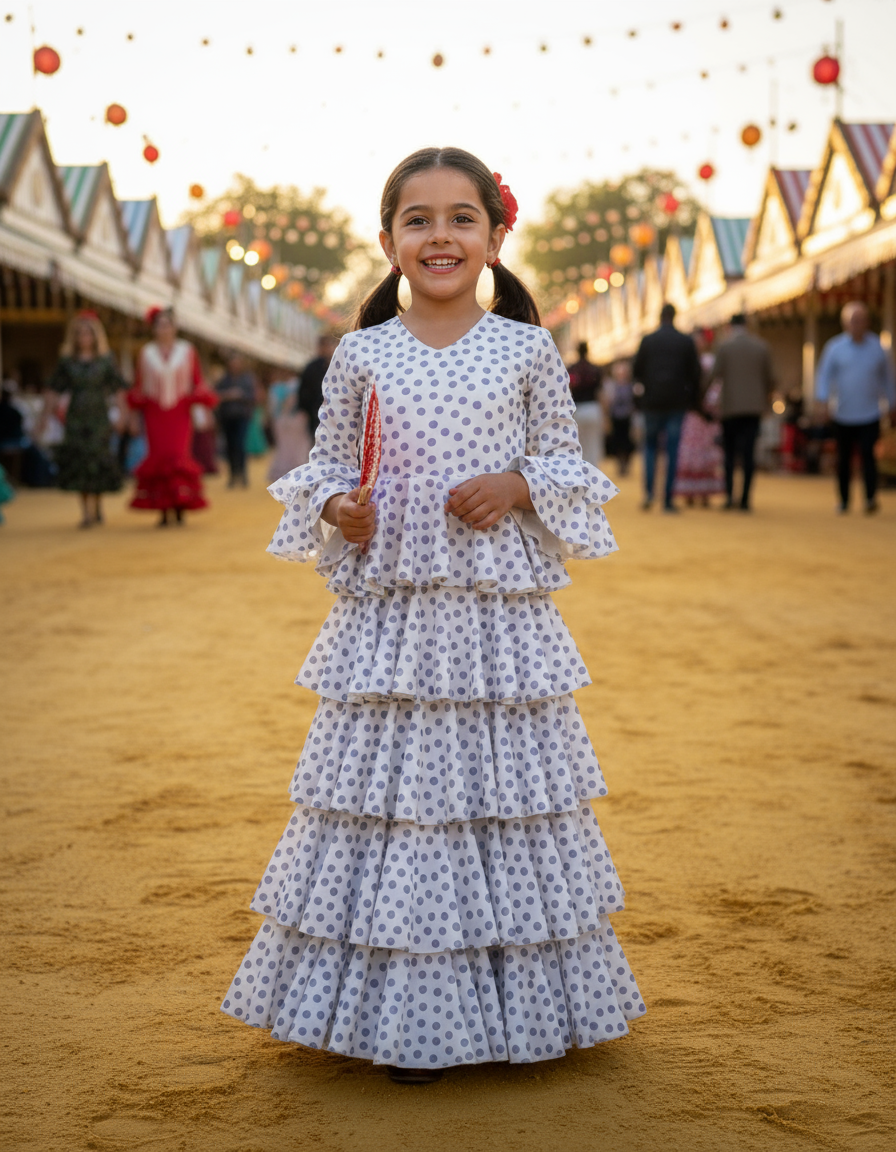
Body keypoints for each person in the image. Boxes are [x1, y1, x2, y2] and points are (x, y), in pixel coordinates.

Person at [221, 147, 645, 1084]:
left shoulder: (528, 350)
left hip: (496, 626)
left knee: (507, 799)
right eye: (419, 220)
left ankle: (520, 1009)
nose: (440, 235)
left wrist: (517, 484)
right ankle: (412, 1022)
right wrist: (340, 507)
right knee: (401, 803)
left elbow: (564, 461)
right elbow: (331, 464)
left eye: (462, 218)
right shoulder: (361, 354)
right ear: (389, 241)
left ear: (495, 238)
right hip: (392, 624)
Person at [127, 307, 217, 527]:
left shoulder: (187, 351)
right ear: (154, 328)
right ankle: (163, 507)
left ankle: (180, 504)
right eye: (160, 325)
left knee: (179, 455)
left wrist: (204, 410)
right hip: (154, 412)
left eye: (168, 325)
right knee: (158, 456)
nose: (164, 329)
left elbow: (197, 381)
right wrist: (133, 416)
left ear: (175, 327)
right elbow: (139, 386)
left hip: (180, 411)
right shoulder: (146, 353)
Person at [815, 301, 896, 514]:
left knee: (869, 456)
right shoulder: (834, 348)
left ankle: (870, 498)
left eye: (861, 320)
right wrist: (823, 401)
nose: (857, 324)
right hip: (842, 413)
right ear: (845, 323)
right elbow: (824, 376)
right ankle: (844, 499)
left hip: (870, 412)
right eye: (853, 321)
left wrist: (891, 403)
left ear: (867, 322)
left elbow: (888, 378)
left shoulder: (878, 348)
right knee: (844, 458)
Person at [48, 311, 125, 528]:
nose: (84, 338)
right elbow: (54, 388)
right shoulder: (67, 362)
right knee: (79, 460)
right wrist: (46, 416)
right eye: (80, 333)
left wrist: (123, 415)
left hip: (98, 417)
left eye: (88, 333)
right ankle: (86, 512)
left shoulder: (105, 361)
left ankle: (97, 504)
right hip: (76, 418)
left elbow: (118, 388)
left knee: (98, 459)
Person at [632, 302, 701, 512]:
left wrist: (642, 396)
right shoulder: (685, 341)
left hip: (652, 402)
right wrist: (693, 401)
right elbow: (695, 374)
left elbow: (636, 371)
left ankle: (649, 493)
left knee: (650, 448)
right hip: (676, 402)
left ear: (660, 317)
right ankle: (668, 499)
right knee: (672, 450)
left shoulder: (648, 341)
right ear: (674, 316)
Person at [711, 313, 776, 512]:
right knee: (749, 454)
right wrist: (766, 401)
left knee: (729, 455)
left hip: (730, 408)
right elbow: (771, 379)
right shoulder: (761, 347)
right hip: (753, 408)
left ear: (730, 326)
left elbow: (714, 375)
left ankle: (730, 497)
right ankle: (746, 499)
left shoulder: (724, 346)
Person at [673, 329, 725, 507]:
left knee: (705, 452)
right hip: (691, 413)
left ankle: (704, 493)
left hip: (706, 414)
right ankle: (689, 492)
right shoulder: (687, 361)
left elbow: (716, 386)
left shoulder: (710, 361)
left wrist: (710, 406)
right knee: (689, 453)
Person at [215, 351, 256, 487]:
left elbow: (252, 397)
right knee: (230, 447)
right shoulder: (223, 380)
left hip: (242, 416)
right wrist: (227, 395)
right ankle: (233, 475)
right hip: (227, 417)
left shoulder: (247, 380)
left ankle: (242, 475)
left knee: (240, 445)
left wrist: (240, 395)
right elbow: (216, 395)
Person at [266, 365, 310, 481]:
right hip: (295, 419)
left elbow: (272, 406)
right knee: (298, 447)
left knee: (283, 446)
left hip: (281, 419)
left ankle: (283, 470)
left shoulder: (276, 387)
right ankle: (296, 470)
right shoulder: (296, 385)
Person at [295, 334, 338, 442]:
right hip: (317, 414)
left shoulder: (338, 365)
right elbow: (303, 392)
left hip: (330, 416)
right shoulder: (313, 367)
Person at [567, 340, 603, 465]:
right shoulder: (595, 369)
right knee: (593, 444)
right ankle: (593, 469)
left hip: (577, 409)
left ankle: (581, 469)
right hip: (593, 408)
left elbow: (568, 391)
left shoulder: (572, 369)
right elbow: (600, 393)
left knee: (579, 444)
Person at [606, 359, 635, 476]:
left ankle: (626, 463)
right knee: (617, 442)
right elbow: (609, 402)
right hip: (616, 418)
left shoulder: (631, 385)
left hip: (627, 418)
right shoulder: (612, 386)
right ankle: (620, 464)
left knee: (628, 442)